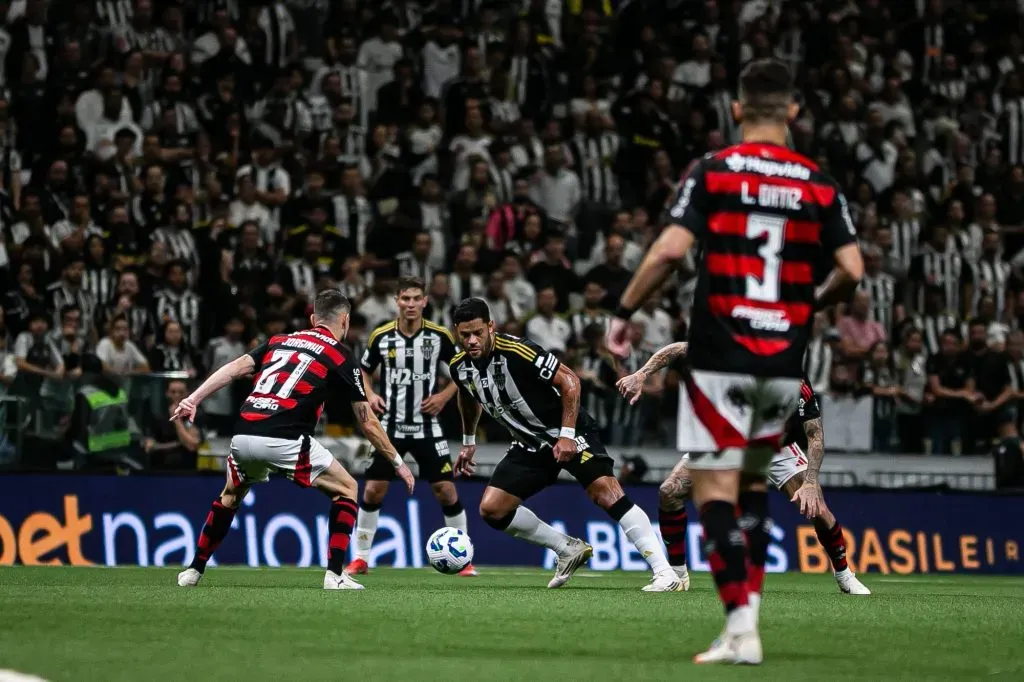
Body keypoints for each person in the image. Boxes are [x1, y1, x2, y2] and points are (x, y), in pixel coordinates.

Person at [606, 59, 864, 664]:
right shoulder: (819, 184)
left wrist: (624, 311)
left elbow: (669, 251)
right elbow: (852, 270)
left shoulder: (714, 170)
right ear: (793, 110)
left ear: (738, 109)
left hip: (721, 352)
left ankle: (741, 630)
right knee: (749, 489)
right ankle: (743, 629)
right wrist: (806, 304)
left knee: (714, 491)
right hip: (781, 361)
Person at [172, 290, 415, 591]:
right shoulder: (340, 354)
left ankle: (194, 570)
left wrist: (193, 399)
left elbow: (234, 369)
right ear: (345, 320)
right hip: (285, 437)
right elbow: (367, 421)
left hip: (244, 434)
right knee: (347, 488)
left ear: (313, 319)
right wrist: (397, 462)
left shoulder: (279, 341)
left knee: (230, 496)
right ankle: (335, 575)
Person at [449, 297, 682, 592]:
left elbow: (570, 381)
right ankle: (567, 549)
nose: (471, 340)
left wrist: (567, 434)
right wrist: (469, 441)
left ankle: (665, 573)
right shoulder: (460, 366)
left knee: (606, 493)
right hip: (529, 443)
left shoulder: (517, 351)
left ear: (490, 326)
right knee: (493, 509)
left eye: (477, 333)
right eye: (465, 334)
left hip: (567, 430)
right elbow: (468, 396)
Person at [618, 345, 870, 596]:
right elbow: (679, 349)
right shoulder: (728, 352)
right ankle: (677, 575)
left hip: (776, 447)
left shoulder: (793, 378)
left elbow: (814, 434)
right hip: (727, 439)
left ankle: (845, 575)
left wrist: (811, 482)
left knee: (819, 510)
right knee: (669, 491)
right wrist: (641, 374)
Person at [345, 276, 476, 577]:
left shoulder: (439, 336)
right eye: (406, 298)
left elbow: (463, 370)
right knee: (373, 491)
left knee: (446, 491)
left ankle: (464, 559)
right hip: (389, 426)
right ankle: (360, 558)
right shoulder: (381, 336)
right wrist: (371, 394)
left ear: (425, 301)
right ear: (397, 301)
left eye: (417, 298)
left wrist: (443, 396)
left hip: (427, 427)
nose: (411, 304)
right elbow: (363, 371)